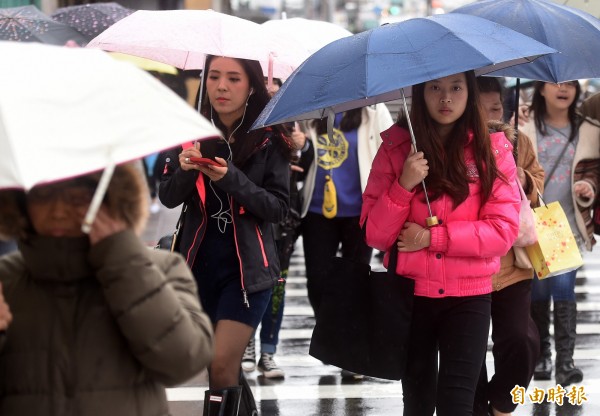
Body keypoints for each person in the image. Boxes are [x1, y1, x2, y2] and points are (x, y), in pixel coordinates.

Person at [361, 71, 520, 415]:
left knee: (457, 404)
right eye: (435, 88)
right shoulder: (396, 148)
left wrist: (433, 237)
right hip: (410, 297)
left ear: (470, 93)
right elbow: (375, 234)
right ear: (420, 94)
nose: (445, 98)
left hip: (469, 297)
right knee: (417, 404)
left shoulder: (493, 150)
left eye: (456, 88)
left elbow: (503, 230)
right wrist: (403, 185)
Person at [0, 162, 214, 416]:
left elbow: (184, 360)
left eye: (77, 198)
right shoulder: (7, 279)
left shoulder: (159, 269)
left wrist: (123, 261)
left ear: (107, 199)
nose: (58, 211)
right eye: (43, 196)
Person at [158, 55, 293, 414]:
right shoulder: (189, 131)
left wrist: (231, 178)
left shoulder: (270, 140)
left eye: (233, 78)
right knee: (221, 367)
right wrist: (187, 169)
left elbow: (279, 209)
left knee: (220, 365)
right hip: (198, 268)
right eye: (214, 76)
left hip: (248, 271)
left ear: (251, 86)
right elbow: (168, 197)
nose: (221, 86)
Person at [298, 103, 393, 379]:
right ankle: (332, 336)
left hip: (360, 213)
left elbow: (391, 151)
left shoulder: (374, 111)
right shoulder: (309, 112)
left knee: (354, 282)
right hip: (317, 211)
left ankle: (349, 352)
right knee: (317, 281)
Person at [520, 81, 600, 387]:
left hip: (568, 224)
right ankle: (542, 356)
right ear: (541, 89)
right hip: (536, 222)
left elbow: (593, 169)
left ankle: (565, 362)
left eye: (569, 84)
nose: (563, 89)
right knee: (539, 292)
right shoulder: (526, 126)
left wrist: (588, 188)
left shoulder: (586, 128)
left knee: (564, 288)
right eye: (555, 84)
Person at [473, 77, 544, 416]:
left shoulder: (519, 143)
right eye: (483, 110)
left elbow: (537, 182)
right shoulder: (455, 143)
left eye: (497, 108)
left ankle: (502, 402)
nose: (491, 116)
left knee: (522, 339)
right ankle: (476, 406)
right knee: (467, 350)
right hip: (469, 267)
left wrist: (522, 177)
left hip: (514, 264)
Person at [242, 77, 306, 379]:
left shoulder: (292, 128)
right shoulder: (244, 129)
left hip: (283, 224)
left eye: (276, 85)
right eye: (265, 85)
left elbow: (308, 169)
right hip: (250, 224)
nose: (271, 90)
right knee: (247, 287)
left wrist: (300, 149)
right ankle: (247, 346)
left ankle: (268, 351)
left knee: (275, 289)